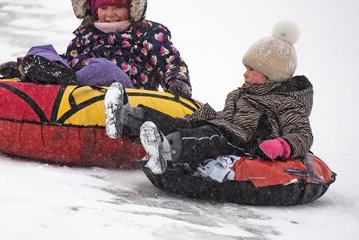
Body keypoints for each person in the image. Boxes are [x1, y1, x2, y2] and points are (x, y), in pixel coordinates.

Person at [104, 20, 313, 176]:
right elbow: (227, 117)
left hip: (246, 142)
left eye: (251, 69)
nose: (245, 74)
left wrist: (281, 145)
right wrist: (202, 115)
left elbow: (302, 134)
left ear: (270, 76)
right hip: (226, 129)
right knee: (180, 124)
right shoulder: (241, 93)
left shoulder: (287, 102)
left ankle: (167, 149)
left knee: (209, 137)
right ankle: (128, 117)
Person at [0, 0, 192, 99]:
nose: (110, 14)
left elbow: (170, 62)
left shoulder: (149, 33)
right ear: (94, 9)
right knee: (41, 51)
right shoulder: (86, 34)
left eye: (117, 7)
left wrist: (176, 82)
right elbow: (70, 58)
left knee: (102, 68)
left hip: (128, 92)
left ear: (132, 6)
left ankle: (67, 84)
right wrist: (20, 66)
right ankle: (37, 70)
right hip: (82, 90)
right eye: (104, 8)